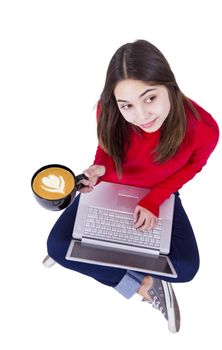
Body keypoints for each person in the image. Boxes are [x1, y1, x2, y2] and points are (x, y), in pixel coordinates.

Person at [47, 39, 219, 333]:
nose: (140, 115)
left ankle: (100, 252)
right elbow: (106, 148)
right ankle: (145, 285)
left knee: (186, 268)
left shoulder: (204, 128)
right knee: (58, 247)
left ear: (171, 88)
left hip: (159, 193)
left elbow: (194, 166)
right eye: (127, 105)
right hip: (109, 186)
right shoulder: (109, 109)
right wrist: (100, 167)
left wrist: (155, 200)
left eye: (150, 98)